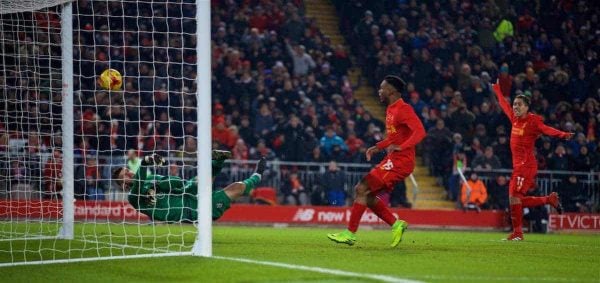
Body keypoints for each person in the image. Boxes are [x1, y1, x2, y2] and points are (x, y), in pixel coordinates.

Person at [327, 75, 426, 247]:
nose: (379, 91)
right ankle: (396, 225)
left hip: (401, 161)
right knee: (369, 195)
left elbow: (420, 131)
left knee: (361, 188)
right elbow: (394, 137)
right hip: (393, 158)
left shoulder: (404, 109)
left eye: (382, 88)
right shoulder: (390, 110)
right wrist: (377, 147)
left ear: (391, 91)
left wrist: (402, 147)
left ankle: (350, 233)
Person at [492, 81, 573, 241]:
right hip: (518, 167)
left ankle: (518, 233)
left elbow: (546, 129)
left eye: (519, 105)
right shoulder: (514, 119)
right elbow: (504, 105)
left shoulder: (533, 121)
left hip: (526, 165)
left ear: (527, 107)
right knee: (514, 200)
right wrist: (497, 91)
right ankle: (548, 200)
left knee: (516, 199)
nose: (515, 107)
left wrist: (562, 134)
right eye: (515, 104)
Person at [112, 150, 266, 222]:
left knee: (237, 187)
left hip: (189, 194)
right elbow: (139, 184)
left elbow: (176, 182)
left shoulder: (151, 177)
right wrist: (145, 162)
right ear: (123, 185)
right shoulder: (133, 198)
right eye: (124, 176)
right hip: (191, 213)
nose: (129, 174)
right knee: (223, 187)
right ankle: (217, 162)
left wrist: (158, 183)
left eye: (128, 170)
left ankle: (256, 176)